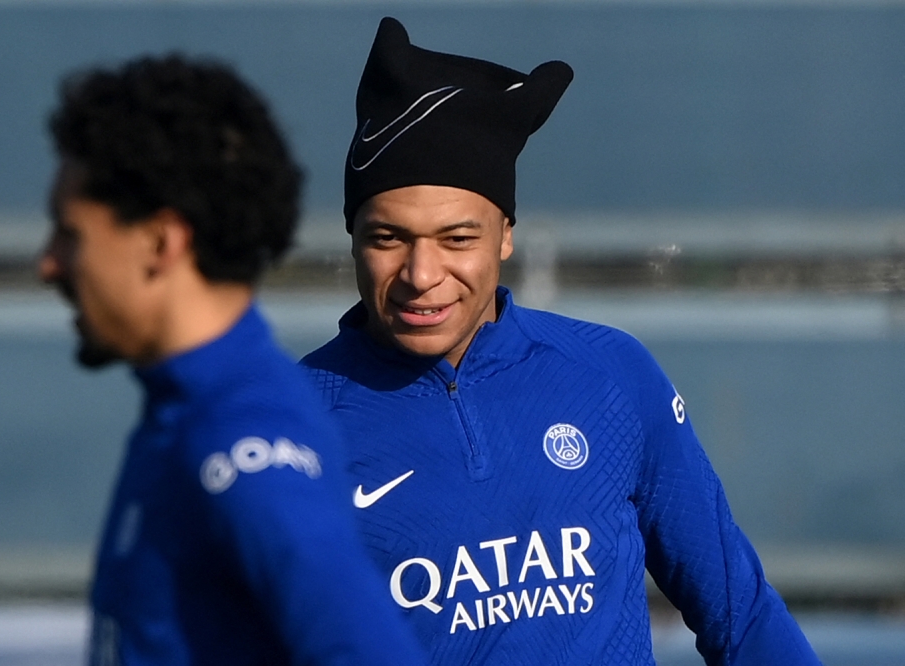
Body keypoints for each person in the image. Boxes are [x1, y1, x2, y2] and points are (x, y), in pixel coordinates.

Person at [301, 17, 821, 665]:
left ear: (506, 236)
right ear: (352, 237)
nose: (421, 275)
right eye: (388, 239)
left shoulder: (610, 375)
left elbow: (742, 618)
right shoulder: (290, 429)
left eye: (457, 239)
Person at [38, 54, 427, 666]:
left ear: (162, 242)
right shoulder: (184, 410)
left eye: (70, 234)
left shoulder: (243, 440)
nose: (48, 264)